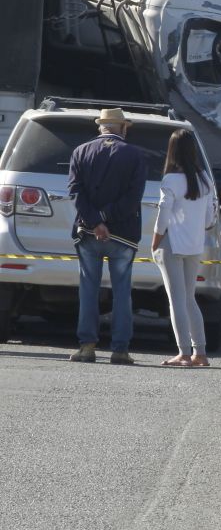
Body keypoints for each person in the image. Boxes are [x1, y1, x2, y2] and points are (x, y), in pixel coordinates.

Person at [66, 107, 148, 364]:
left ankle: (87, 346)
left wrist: (95, 221)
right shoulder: (135, 155)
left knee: (88, 288)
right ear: (122, 128)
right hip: (123, 233)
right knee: (122, 291)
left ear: (101, 127)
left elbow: (75, 192)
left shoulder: (80, 152)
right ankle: (120, 349)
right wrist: (107, 218)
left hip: (89, 233)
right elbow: (133, 198)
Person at [151, 129, 219, 367]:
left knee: (176, 300)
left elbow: (163, 211)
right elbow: (210, 218)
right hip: (194, 243)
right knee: (190, 298)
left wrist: (155, 239)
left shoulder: (170, 180)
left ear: (172, 151)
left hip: (172, 242)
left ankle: (183, 352)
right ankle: (200, 352)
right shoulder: (204, 179)